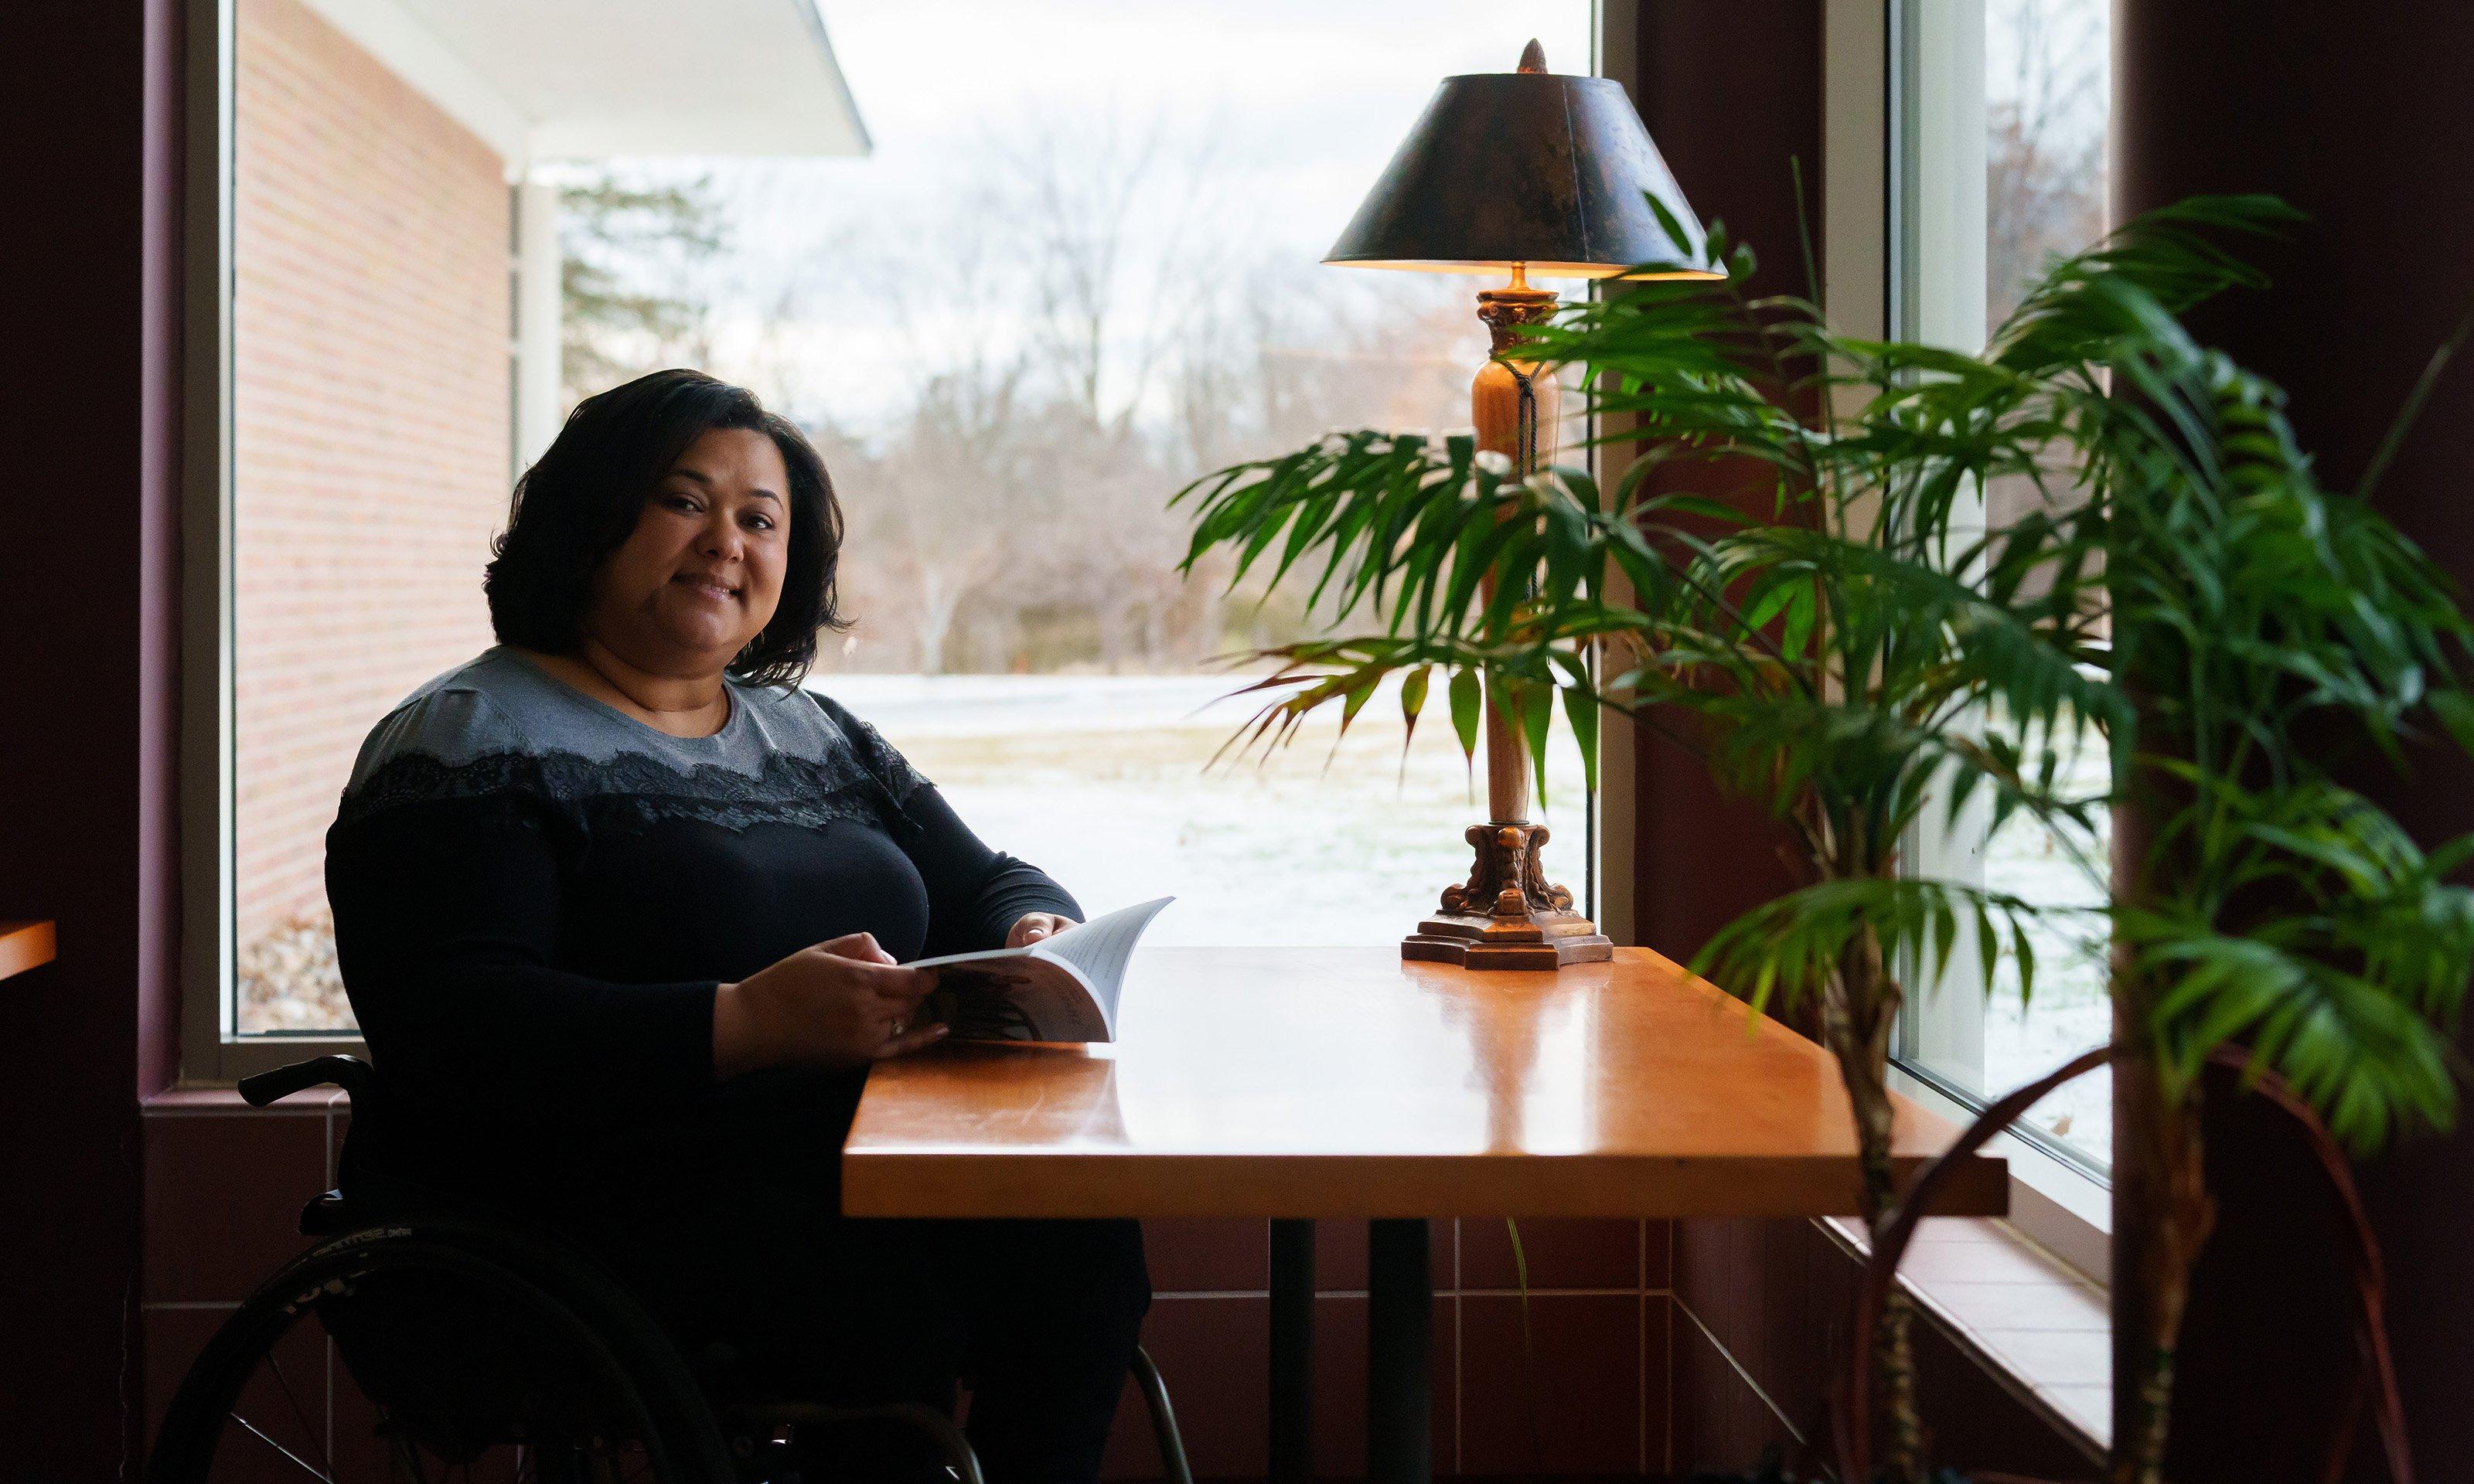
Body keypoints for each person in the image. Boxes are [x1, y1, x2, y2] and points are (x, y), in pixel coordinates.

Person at [324, 368, 1147, 1483]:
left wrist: (1032, 928)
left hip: (849, 1167)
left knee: (1084, 1246)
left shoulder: (812, 733)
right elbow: (457, 1027)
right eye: (685, 500)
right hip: (590, 1204)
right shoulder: (470, 737)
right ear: (590, 518)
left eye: (761, 520)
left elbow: (988, 878)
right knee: (886, 1311)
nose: (728, 541)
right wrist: (746, 1024)